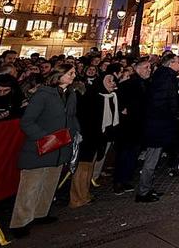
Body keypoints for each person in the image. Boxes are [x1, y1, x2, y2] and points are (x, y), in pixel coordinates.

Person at [9, 63, 80, 238]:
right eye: (70, 73)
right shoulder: (43, 95)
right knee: (31, 185)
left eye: (74, 73)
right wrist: (44, 137)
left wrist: (76, 132)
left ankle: (41, 213)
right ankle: (20, 222)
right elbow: (27, 121)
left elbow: (71, 117)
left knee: (49, 183)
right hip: (40, 147)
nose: (73, 76)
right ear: (59, 75)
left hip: (60, 146)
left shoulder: (71, 95)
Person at [137, 53, 179, 203]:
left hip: (157, 122)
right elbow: (168, 100)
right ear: (171, 64)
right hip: (158, 124)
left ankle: (147, 187)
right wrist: (174, 115)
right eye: (177, 63)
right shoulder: (167, 78)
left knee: (153, 157)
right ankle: (143, 191)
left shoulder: (160, 76)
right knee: (152, 159)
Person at [71, 74, 119, 208]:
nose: (112, 83)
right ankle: (77, 198)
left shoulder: (109, 97)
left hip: (97, 138)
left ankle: (85, 194)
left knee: (89, 167)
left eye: (113, 80)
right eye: (108, 80)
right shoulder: (92, 96)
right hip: (87, 137)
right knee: (82, 168)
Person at [112, 59, 150, 195]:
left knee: (133, 154)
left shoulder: (145, 84)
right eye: (146, 67)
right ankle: (118, 181)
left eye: (149, 68)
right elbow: (119, 102)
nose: (149, 70)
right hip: (128, 126)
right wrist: (124, 109)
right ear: (138, 69)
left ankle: (126, 179)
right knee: (124, 154)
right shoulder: (128, 84)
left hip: (139, 124)